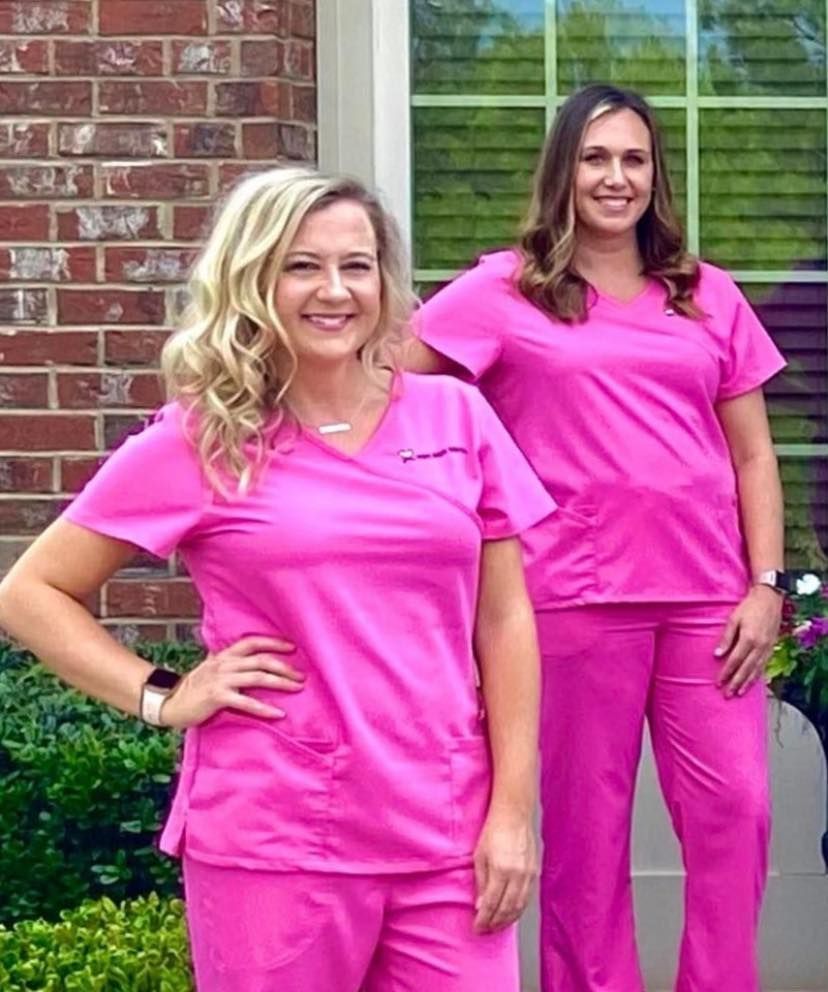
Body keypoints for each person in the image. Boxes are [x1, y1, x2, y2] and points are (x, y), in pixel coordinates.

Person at [0, 168, 555, 992]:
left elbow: (505, 621)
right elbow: (29, 594)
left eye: (356, 266)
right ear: (254, 279)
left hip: (445, 830)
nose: (334, 291)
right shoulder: (200, 440)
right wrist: (162, 694)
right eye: (302, 265)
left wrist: (512, 811)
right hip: (275, 835)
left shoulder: (456, 417)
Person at [407, 84, 786, 992]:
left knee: (738, 812)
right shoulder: (503, 290)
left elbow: (755, 457)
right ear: (563, 172)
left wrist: (766, 583)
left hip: (708, 602)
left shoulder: (706, 294)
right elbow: (392, 381)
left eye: (634, 160)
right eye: (596, 158)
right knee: (585, 835)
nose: (616, 178)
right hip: (569, 601)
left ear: (656, 178)